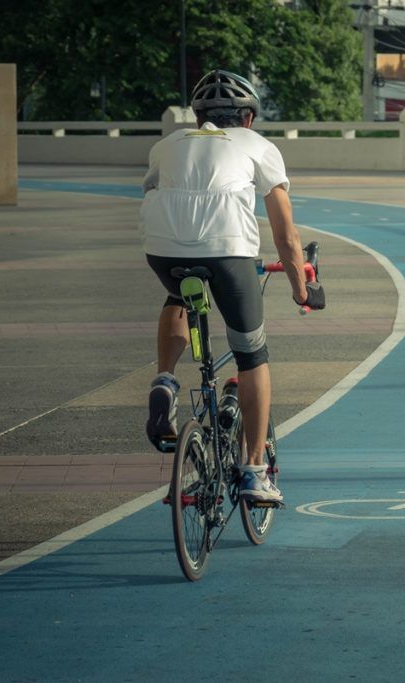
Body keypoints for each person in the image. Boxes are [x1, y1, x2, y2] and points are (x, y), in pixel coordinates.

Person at [139, 69, 325, 502]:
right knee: (251, 355)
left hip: (163, 252)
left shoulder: (166, 145)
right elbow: (286, 234)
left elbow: (156, 194)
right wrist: (302, 289)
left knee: (178, 294)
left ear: (198, 114)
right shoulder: (259, 146)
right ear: (247, 118)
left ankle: (165, 382)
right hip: (228, 252)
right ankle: (255, 471)